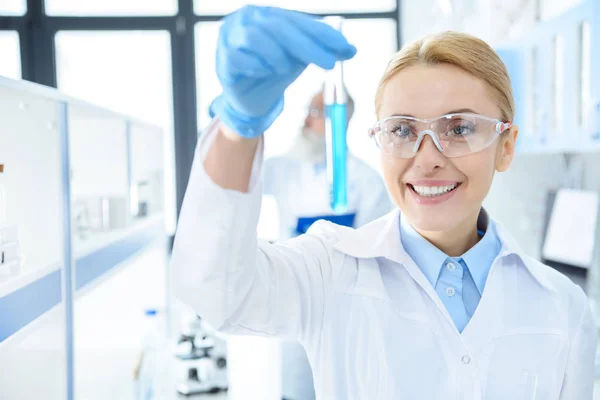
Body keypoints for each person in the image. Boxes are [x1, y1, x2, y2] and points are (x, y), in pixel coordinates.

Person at [172, 5, 596, 399]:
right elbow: (219, 294)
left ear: (505, 147)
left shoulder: (563, 307)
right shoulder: (330, 270)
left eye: (460, 127)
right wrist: (237, 127)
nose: (428, 158)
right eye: (402, 130)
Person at [263, 91, 392, 399]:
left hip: (345, 313)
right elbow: (237, 189)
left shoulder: (366, 180)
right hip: (293, 306)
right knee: (297, 387)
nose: (307, 119)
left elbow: (376, 253)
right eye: (309, 109)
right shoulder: (283, 169)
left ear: (341, 120)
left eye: (318, 112)